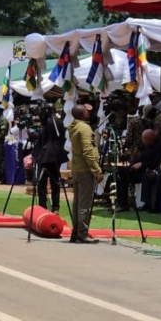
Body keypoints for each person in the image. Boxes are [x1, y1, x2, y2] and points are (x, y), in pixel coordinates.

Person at [68, 103, 102, 244]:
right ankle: (82, 233)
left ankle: (76, 231)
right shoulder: (84, 128)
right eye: (86, 112)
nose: (89, 113)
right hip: (85, 169)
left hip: (76, 168)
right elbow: (88, 150)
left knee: (77, 203)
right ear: (83, 114)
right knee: (84, 203)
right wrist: (97, 170)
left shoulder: (74, 126)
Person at [33, 106, 67, 213]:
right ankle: (55, 207)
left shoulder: (50, 122)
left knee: (42, 183)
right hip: (56, 156)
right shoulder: (59, 121)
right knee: (55, 182)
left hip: (46, 156)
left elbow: (41, 137)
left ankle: (43, 207)